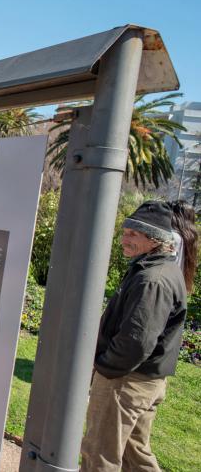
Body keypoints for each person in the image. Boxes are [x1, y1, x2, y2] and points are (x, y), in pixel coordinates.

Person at [80, 200, 197, 471]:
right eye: (125, 231)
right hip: (144, 380)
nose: (124, 238)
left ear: (154, 240)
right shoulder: (158, 270)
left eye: (133, 234)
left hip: (125, 381)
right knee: (135, 455)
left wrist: (104, 367)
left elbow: (137, 341)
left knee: (99, 454)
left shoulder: (152, 279)